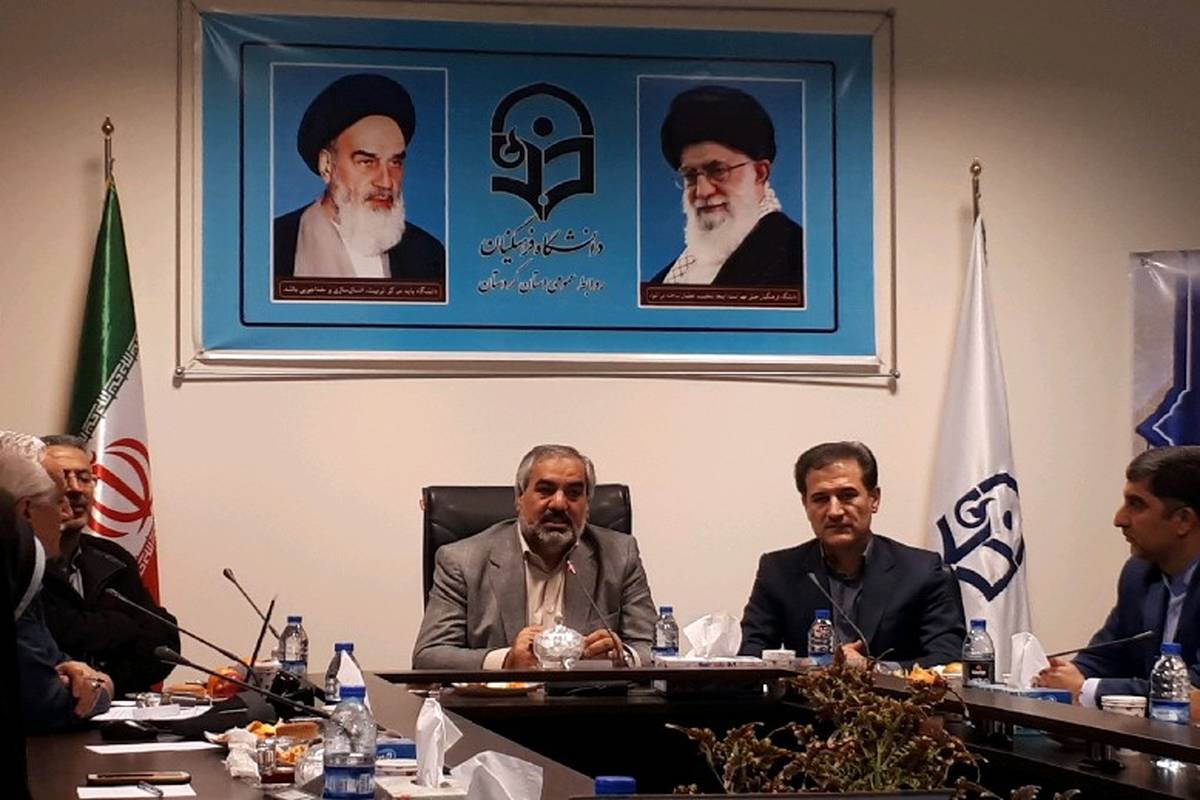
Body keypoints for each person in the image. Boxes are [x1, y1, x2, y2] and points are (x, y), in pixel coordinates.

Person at [413, 444, 657, 669]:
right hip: (501, 702)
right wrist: (506, 660)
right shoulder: (462, 560)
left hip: (590, 700)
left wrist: (620, 658)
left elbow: (658, 651)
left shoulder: (619, 555)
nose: (559, 504)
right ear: (519, 497)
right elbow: (429, 656)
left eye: (574, 493)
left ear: (587, 505)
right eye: (545, 490)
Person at [739, 441, 966, 667]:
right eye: (820, 499)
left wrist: (874, 669)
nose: (834, 511)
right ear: (805, 504)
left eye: (847, 495)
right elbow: (751, 657)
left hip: (891, 691)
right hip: (806, 691)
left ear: (874, 499)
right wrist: (812, 666)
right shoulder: (778, 571)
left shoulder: (922, 571)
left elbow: (947, 659)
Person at [1036, 446, 1200, 706]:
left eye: (1136, 505)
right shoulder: (1139, 575)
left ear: (1183, 520)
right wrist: (1063, 675)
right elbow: (1105, 656)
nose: (1119, 519)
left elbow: (1194, 693)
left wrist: (1086, 689)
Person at [38, 435, 179, 696]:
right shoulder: (17, 561)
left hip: (118, 705)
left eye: (84, 478)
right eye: (62, 478)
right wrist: (122, 626)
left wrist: (105, 684)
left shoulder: (112, 557)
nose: (76, 489)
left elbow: (163, 639)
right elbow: (50, 635)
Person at [274, 72, 446, 283]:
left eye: (395, 163)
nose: (386, 182)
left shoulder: (428, 254)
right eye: (367, 162)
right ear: (327, 166)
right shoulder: (276, 245)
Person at [0, 435, 113, 732]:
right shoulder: (21, 563)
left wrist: (72, 673)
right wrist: (103, 686)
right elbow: (43, 701)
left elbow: (47, 659)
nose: (66, 512)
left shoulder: (24, 561)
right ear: (26, 510)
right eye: (58, 499)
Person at [648, 85, 804, 287]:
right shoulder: (670, 276)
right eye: (690, 176)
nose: (703, 191)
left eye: (718, 171)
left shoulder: (797, 258)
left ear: (760, 173)